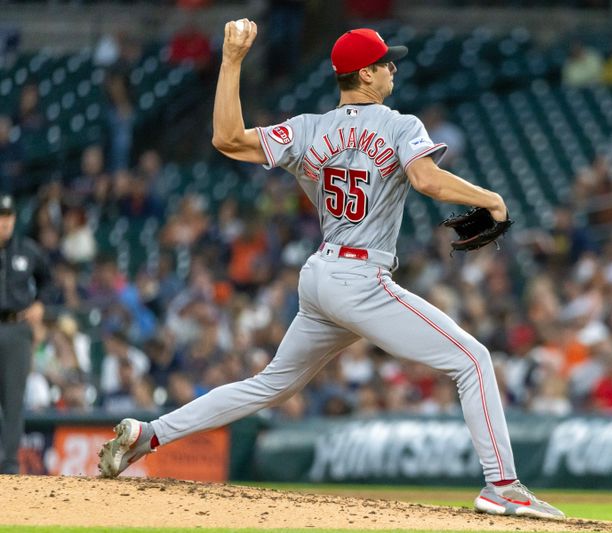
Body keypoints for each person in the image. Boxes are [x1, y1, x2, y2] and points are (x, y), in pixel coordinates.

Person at [98, 21, 565, 520]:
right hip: (361, 279)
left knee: (271, 384)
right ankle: (502, 485)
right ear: (364, 75)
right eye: (385, 62)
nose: (392, 68)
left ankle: (150, 435)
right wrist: (489, 197)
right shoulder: (400, 124)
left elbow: (227, 139)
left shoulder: (307, 128)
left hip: (321, 275)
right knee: (472, 360)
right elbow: (426, 179)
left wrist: (231, 60)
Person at [0, 194, 53, 474]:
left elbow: (47, 279)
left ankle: (8, 467)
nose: (4, 222)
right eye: (0, 216)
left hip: (17, 327)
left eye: (8, 216)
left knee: (13, 399)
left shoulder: (26, 250)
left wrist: (40, 303)